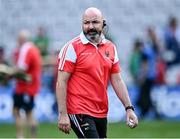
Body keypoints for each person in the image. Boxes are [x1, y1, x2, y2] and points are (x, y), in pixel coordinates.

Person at [56, 7, 138, 138]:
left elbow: (117, 80)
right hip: (79, 110)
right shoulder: (72, 47)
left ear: (103, 24)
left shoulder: (110, 47)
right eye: (86, 23)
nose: (90, 26)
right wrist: (63, 113)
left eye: (95, 22)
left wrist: (129, 108)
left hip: (101, 111)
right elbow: (61, 81)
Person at [13, 30, 42, 138]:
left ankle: (20, 136)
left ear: (22, 39)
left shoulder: (26, 49)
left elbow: (21, 68)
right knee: (30, 113)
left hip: (25, 88)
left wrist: (9, 72)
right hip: (32, 87)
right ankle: (32, 137)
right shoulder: (34, 49)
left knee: (18, 112)